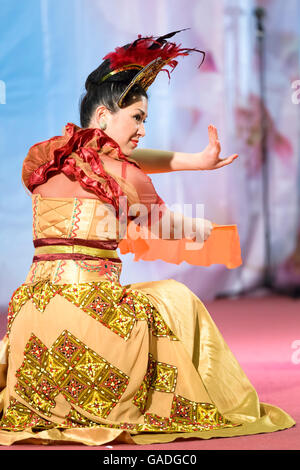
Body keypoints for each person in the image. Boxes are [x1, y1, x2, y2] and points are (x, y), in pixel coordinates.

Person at [0, 31, 295, 446]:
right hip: (90, 322)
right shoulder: (127, 176)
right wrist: (202, 229)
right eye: (137, 118)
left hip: (31, 321)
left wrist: (194, 162)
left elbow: (107, 156)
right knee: (176, 297)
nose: (142, 130)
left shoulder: (44, 161)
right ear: (103, 118)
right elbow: (167, 227)